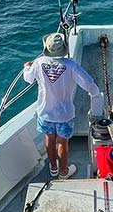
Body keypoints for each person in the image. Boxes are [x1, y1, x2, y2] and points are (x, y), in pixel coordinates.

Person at [23, 32, 102, 179]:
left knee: (49, 139)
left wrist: (27, 67)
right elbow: (89, 84)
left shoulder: (39, 63)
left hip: (44, 112)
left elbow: (28, 79)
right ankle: (63, 172)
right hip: (64, 114)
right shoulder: (71, 65)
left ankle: (53, 168)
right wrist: (96, 95)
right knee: (62, 143)